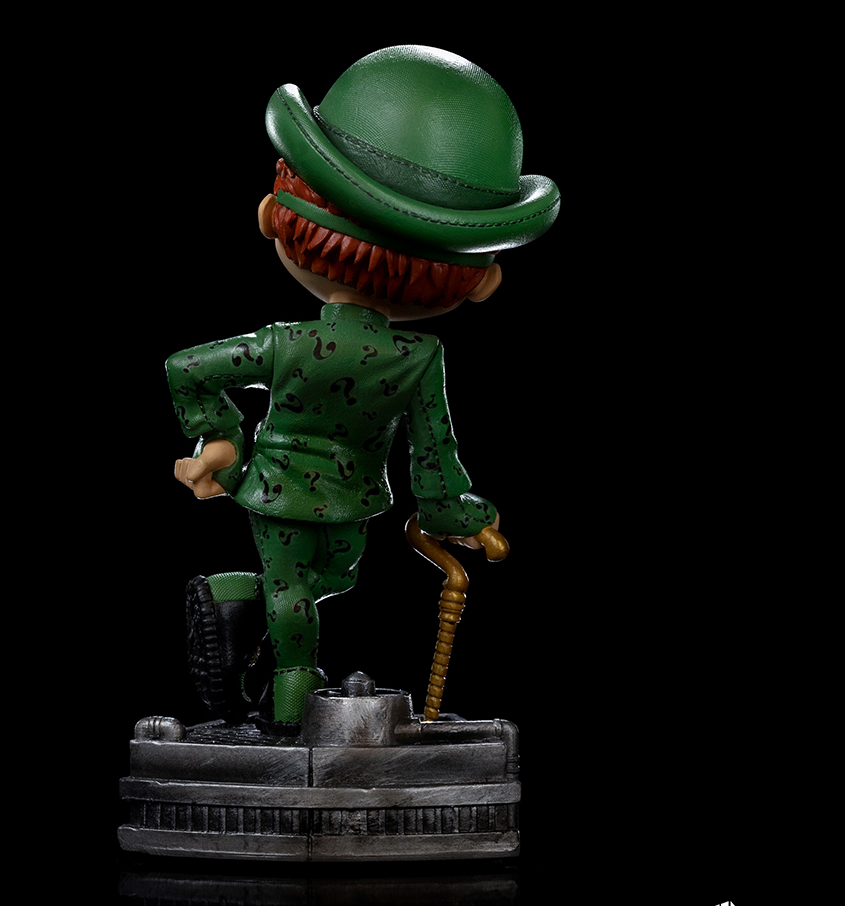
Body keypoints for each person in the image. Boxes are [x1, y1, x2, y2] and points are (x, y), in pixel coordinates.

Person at [167, 46, 559, 732]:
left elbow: (188, 368)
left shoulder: (286, 344)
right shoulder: (417, 357)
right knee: (301, 591)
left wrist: (220, 436)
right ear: (480, 279)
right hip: (342, 496)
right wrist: (458, 515)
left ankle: (233, 604)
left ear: (274, 215)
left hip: (286, 485)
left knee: (316, 584)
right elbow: (433, 457)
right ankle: (290, 703)